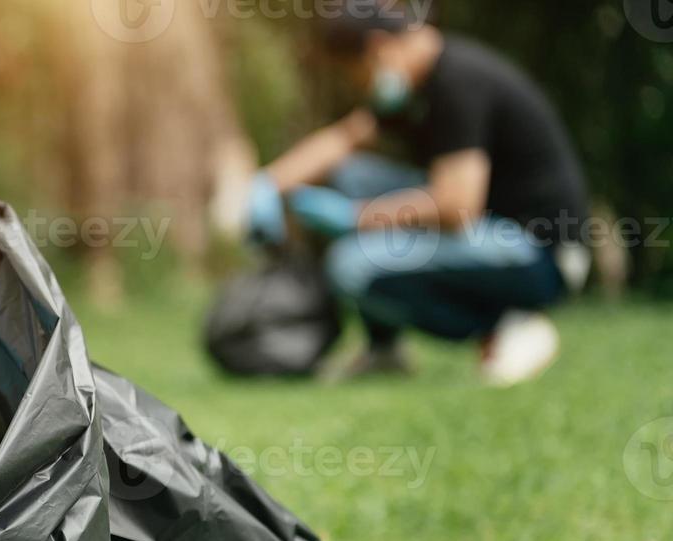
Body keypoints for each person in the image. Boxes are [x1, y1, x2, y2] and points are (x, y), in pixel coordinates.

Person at [245, 1, 590, 384]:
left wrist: (354, 218)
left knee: (352, 265)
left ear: (377, 48)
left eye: (352, 74)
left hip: (539, 252)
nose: (356, 86)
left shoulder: (458, 83)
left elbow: (457, 207)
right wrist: (268, 184)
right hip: (488, 233)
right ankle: (384, 350)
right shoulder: (419, 83)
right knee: (351, 175)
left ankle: (506, 325)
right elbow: (343, 141)